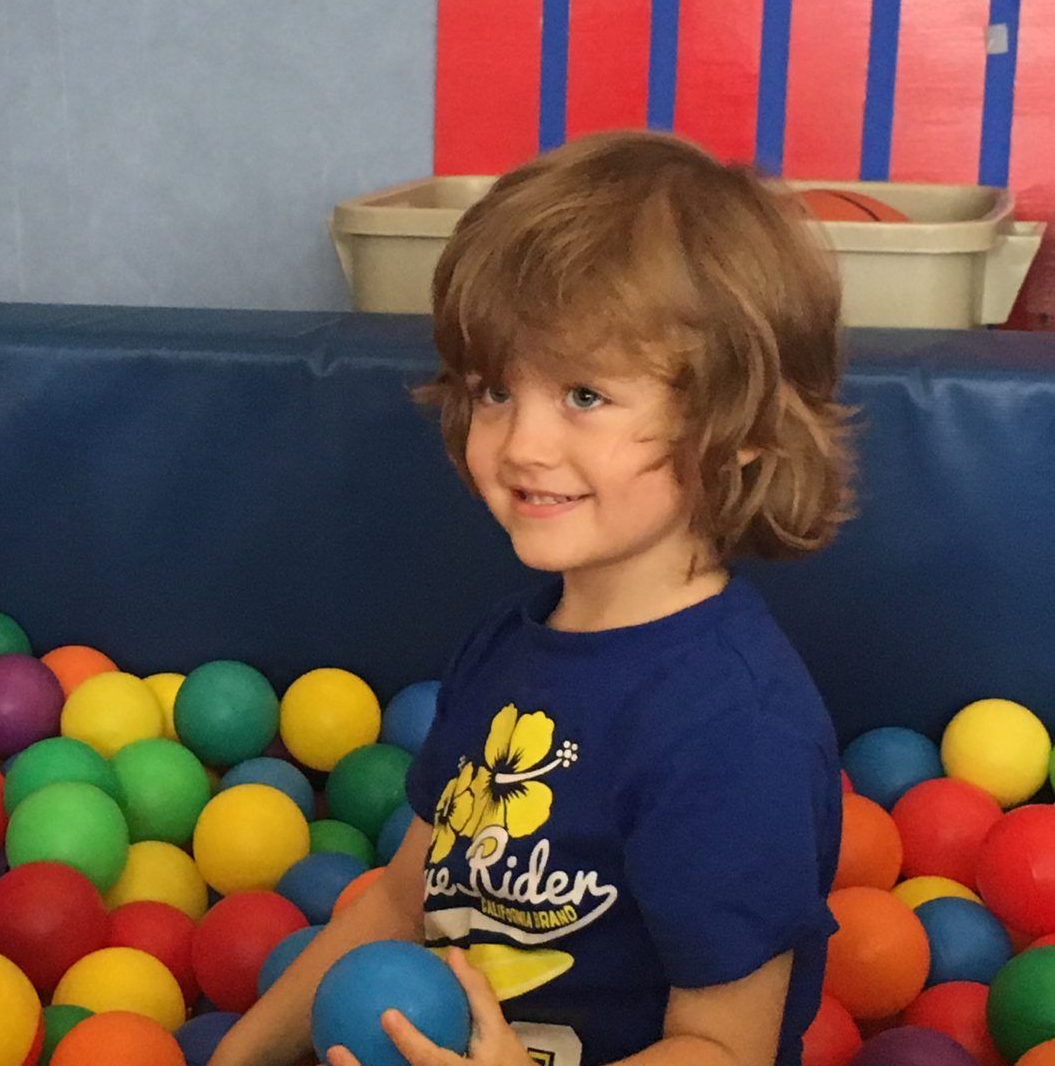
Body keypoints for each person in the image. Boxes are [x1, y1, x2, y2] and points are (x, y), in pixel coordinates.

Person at [209, 130, 853, 1066]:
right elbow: (401, 898)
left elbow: (724, 1048)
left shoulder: (730, 733)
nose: (519, 444)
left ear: (741, 428)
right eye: (496, 389)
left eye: (585, 395)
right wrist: (242, 1054)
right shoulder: (511, 645)